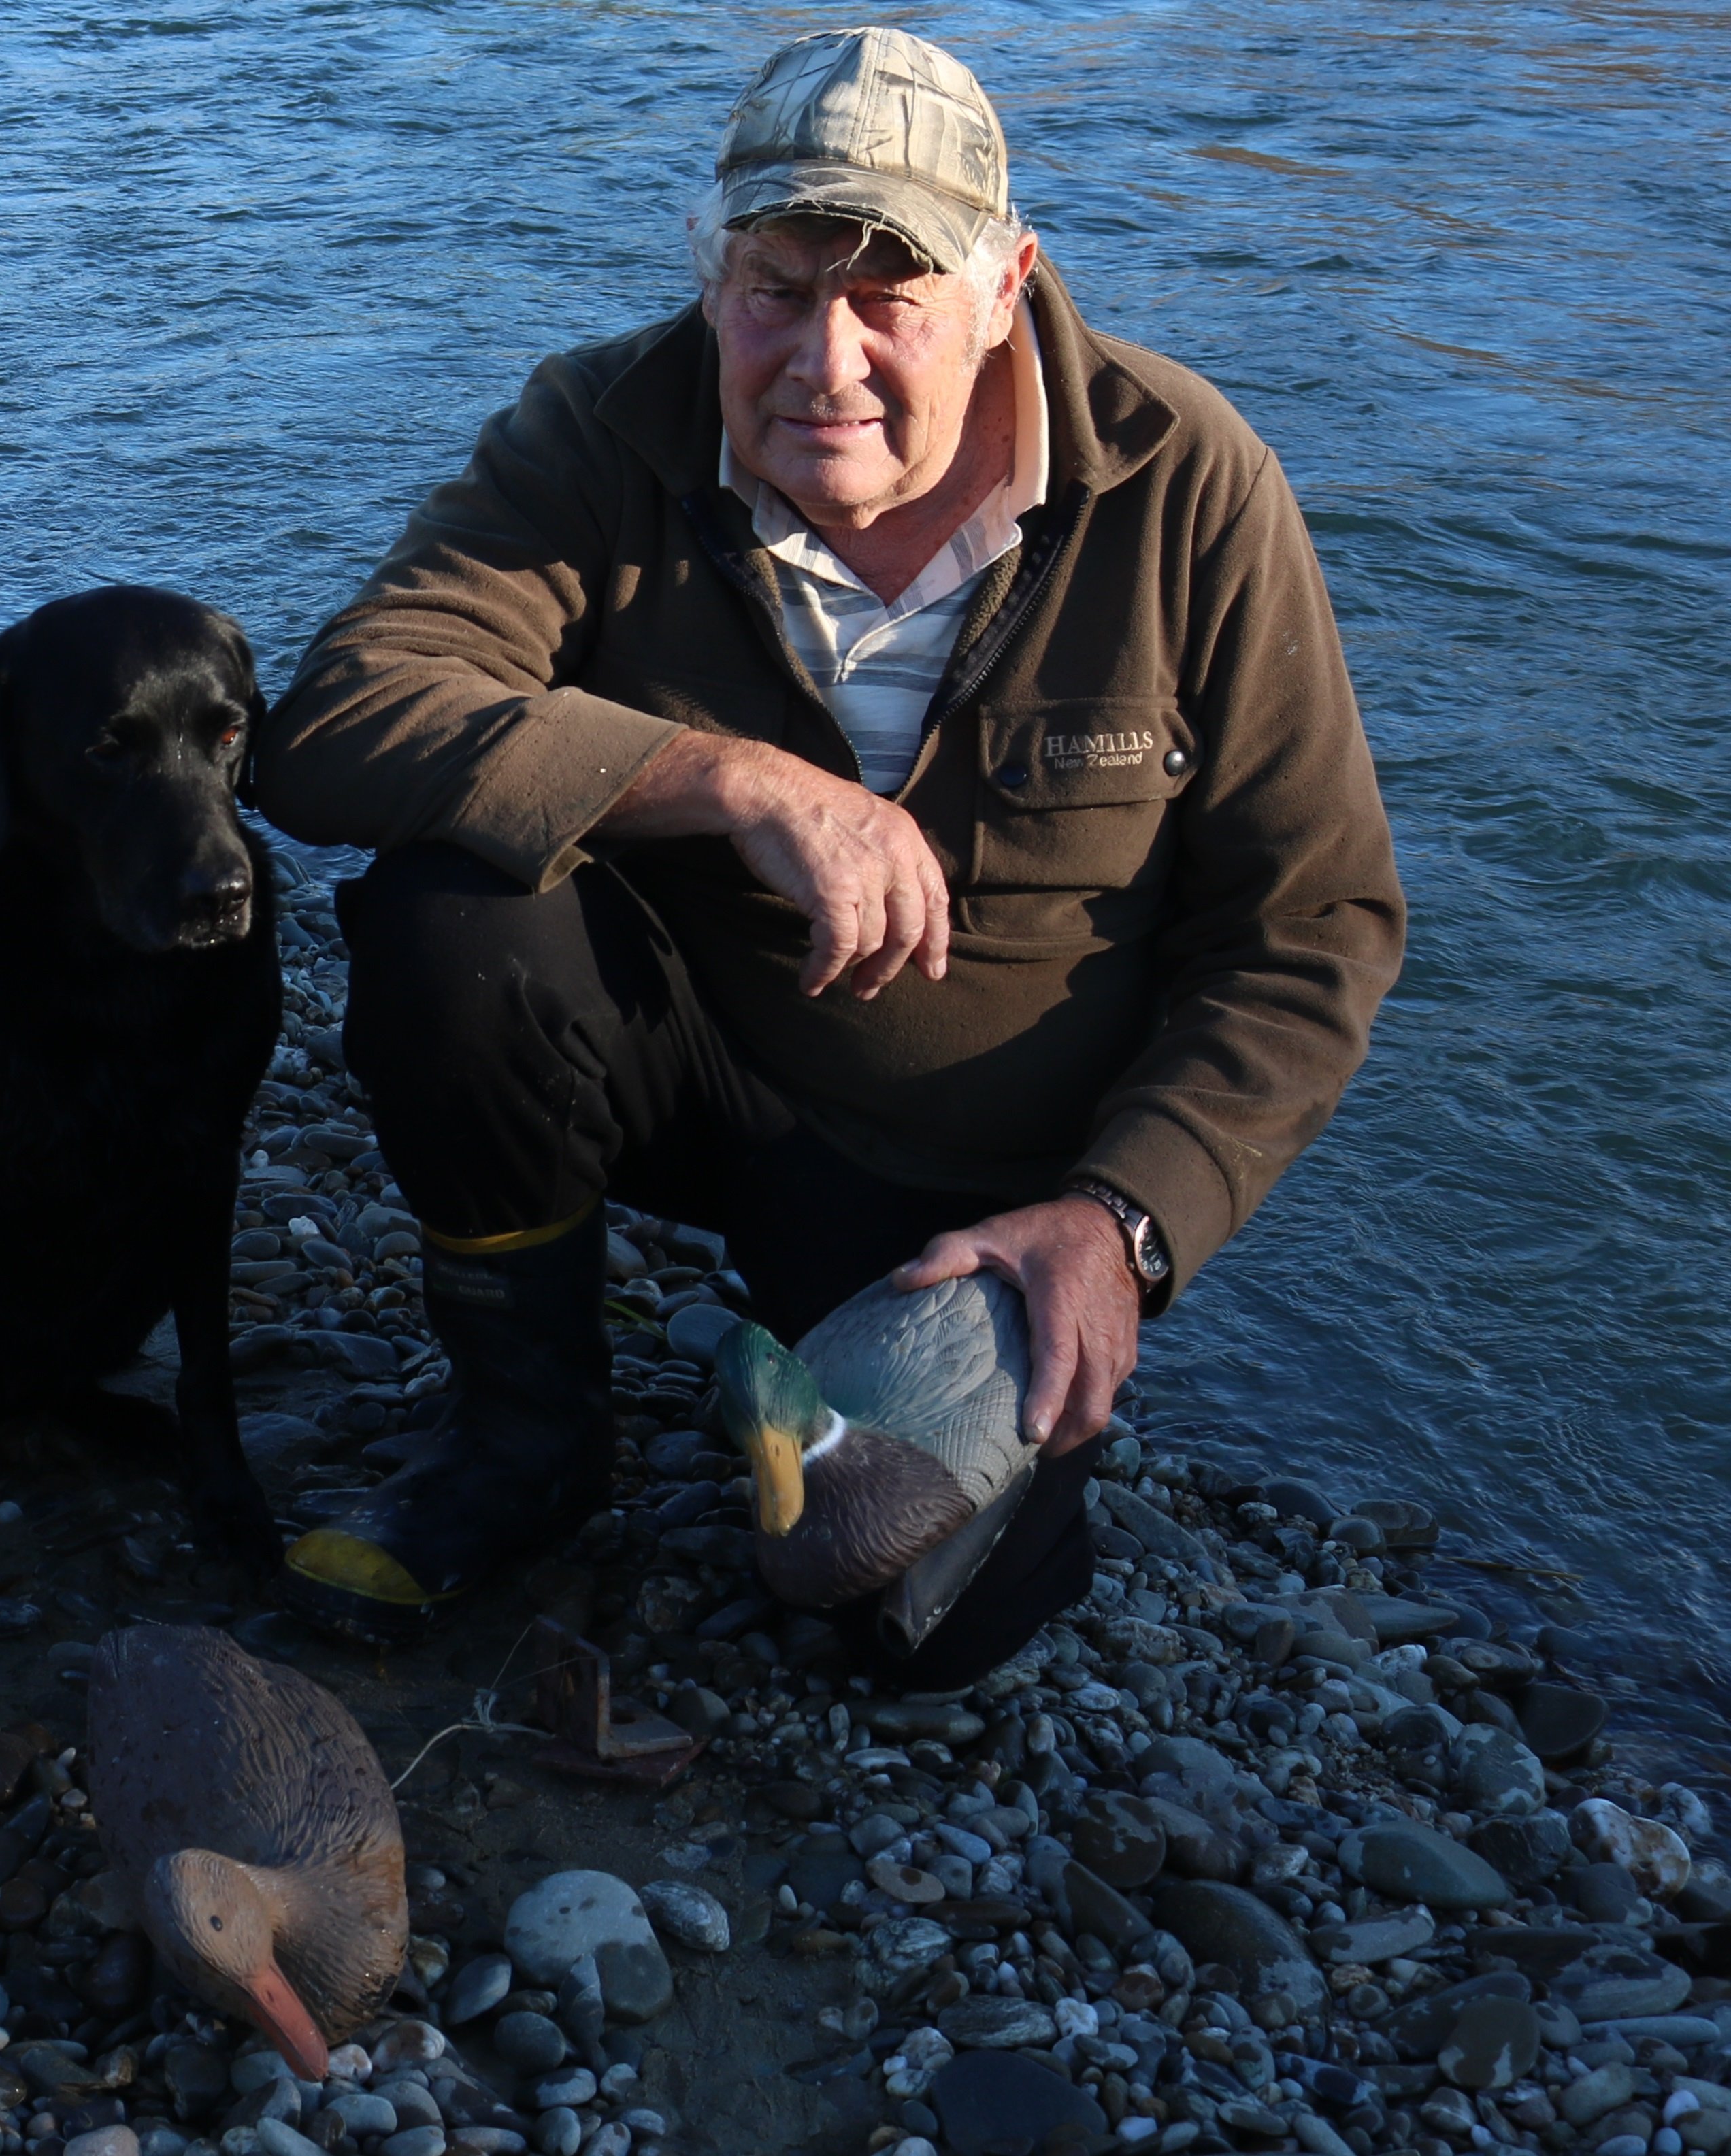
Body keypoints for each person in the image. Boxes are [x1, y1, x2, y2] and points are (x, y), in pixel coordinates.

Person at [254, 29, 1403, 1680]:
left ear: (1006, 286)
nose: (823, 360)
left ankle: (825, 1354)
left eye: (889, 298)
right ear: (710, 274)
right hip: (698, 1080)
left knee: (905, 1632)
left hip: (980, 1206)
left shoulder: (1191, 484)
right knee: (453, 925)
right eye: (775, 288)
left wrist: (1119, 1222)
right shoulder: (600, 428)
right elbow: (340, 717)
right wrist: (722, 778)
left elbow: (1313, 927)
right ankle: (520, 1437)